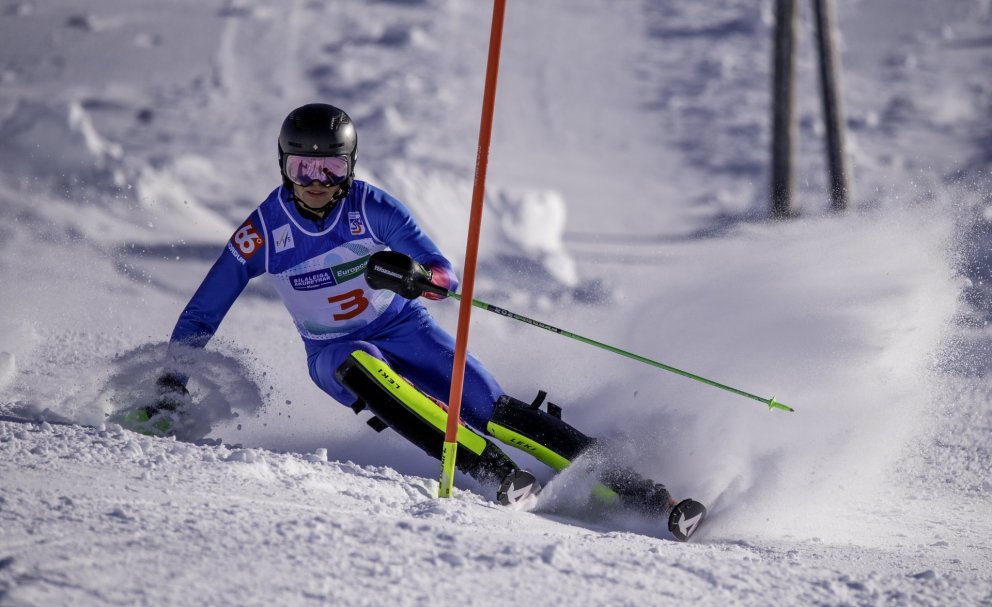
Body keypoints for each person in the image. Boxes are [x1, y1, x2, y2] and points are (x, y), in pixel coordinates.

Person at [133, 103, 704, 540]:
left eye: (330, 167)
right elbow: (204, 311)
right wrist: (171, 381)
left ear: (348, 167)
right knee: (364, 368)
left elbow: (444, 275)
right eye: (302, 166)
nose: (315, 182)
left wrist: (412, 276)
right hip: (333, 351)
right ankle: (496, 473)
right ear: (283, 165)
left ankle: (650, 499)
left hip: (406, 327)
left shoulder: (371, 207)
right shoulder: (263, 231)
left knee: (491, 407)